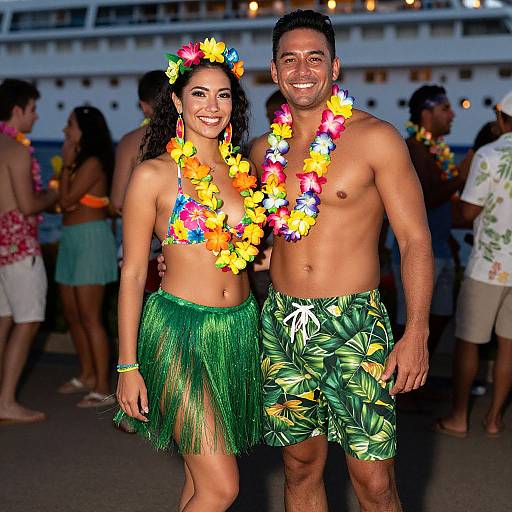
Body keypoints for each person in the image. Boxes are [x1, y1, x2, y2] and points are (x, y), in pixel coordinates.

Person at [159, 10, 432, 511]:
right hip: (281, 325)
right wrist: (178, 262)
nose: (302, 69)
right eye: (290, 59)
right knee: (299, 467)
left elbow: (415, 240)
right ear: (275, 68)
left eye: (314, 58)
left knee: (373, 481)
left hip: (355, 325)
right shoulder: (262, 152)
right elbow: (231, 228)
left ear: (335, 67)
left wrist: (416, 333)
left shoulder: (377, 139)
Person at [115, 39, 264, 511]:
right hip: (178, 333)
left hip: (238, 327)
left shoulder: (245, 173)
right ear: (177, 101)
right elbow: (134, 273)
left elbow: (251, 253)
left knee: (199, 484)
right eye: (199, 93)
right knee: (222, 487)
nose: (212, 106)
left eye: (223, 95)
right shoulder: (154, 176)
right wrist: (126, 366)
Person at [436, 91, 512, 438]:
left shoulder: (490, 153)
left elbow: (467, 212)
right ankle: (495, 419)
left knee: (469, 341)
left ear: (501, 120)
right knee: (509, 344)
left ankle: (459, 416)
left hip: (488, 265)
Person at [391, 85, 472, 354]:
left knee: (440, 315)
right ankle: (402, 391)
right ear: (427, 113)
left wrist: (449, 238)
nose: (452, 115)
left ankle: (418, 385)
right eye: (445, 108)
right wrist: (461, 175)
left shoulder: (435, 149)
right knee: (410, 323)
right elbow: (425, 199)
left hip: (440, 249)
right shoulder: (414, 149)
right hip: (416, 253)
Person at [0, 79, 58, 423]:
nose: (36, 117)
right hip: (19, 246)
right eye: (33, 109)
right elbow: (28, 204)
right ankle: (6, 401)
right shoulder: (17, 150)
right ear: (17, 109)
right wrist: (54, 194)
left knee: (3, 320)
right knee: (28, 321)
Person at [54, 106, 118, 407]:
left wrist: (66, 165)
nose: (66, 130)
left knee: (90, 317)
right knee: (73, 313)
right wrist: (68, 165)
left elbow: (66, 199)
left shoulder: (91, 162)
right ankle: (87, 374)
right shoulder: (79, 162)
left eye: (70, 125)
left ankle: (104, 386)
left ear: (85, 130)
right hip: (70, 239)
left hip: (91, 239)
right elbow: (62, 202)